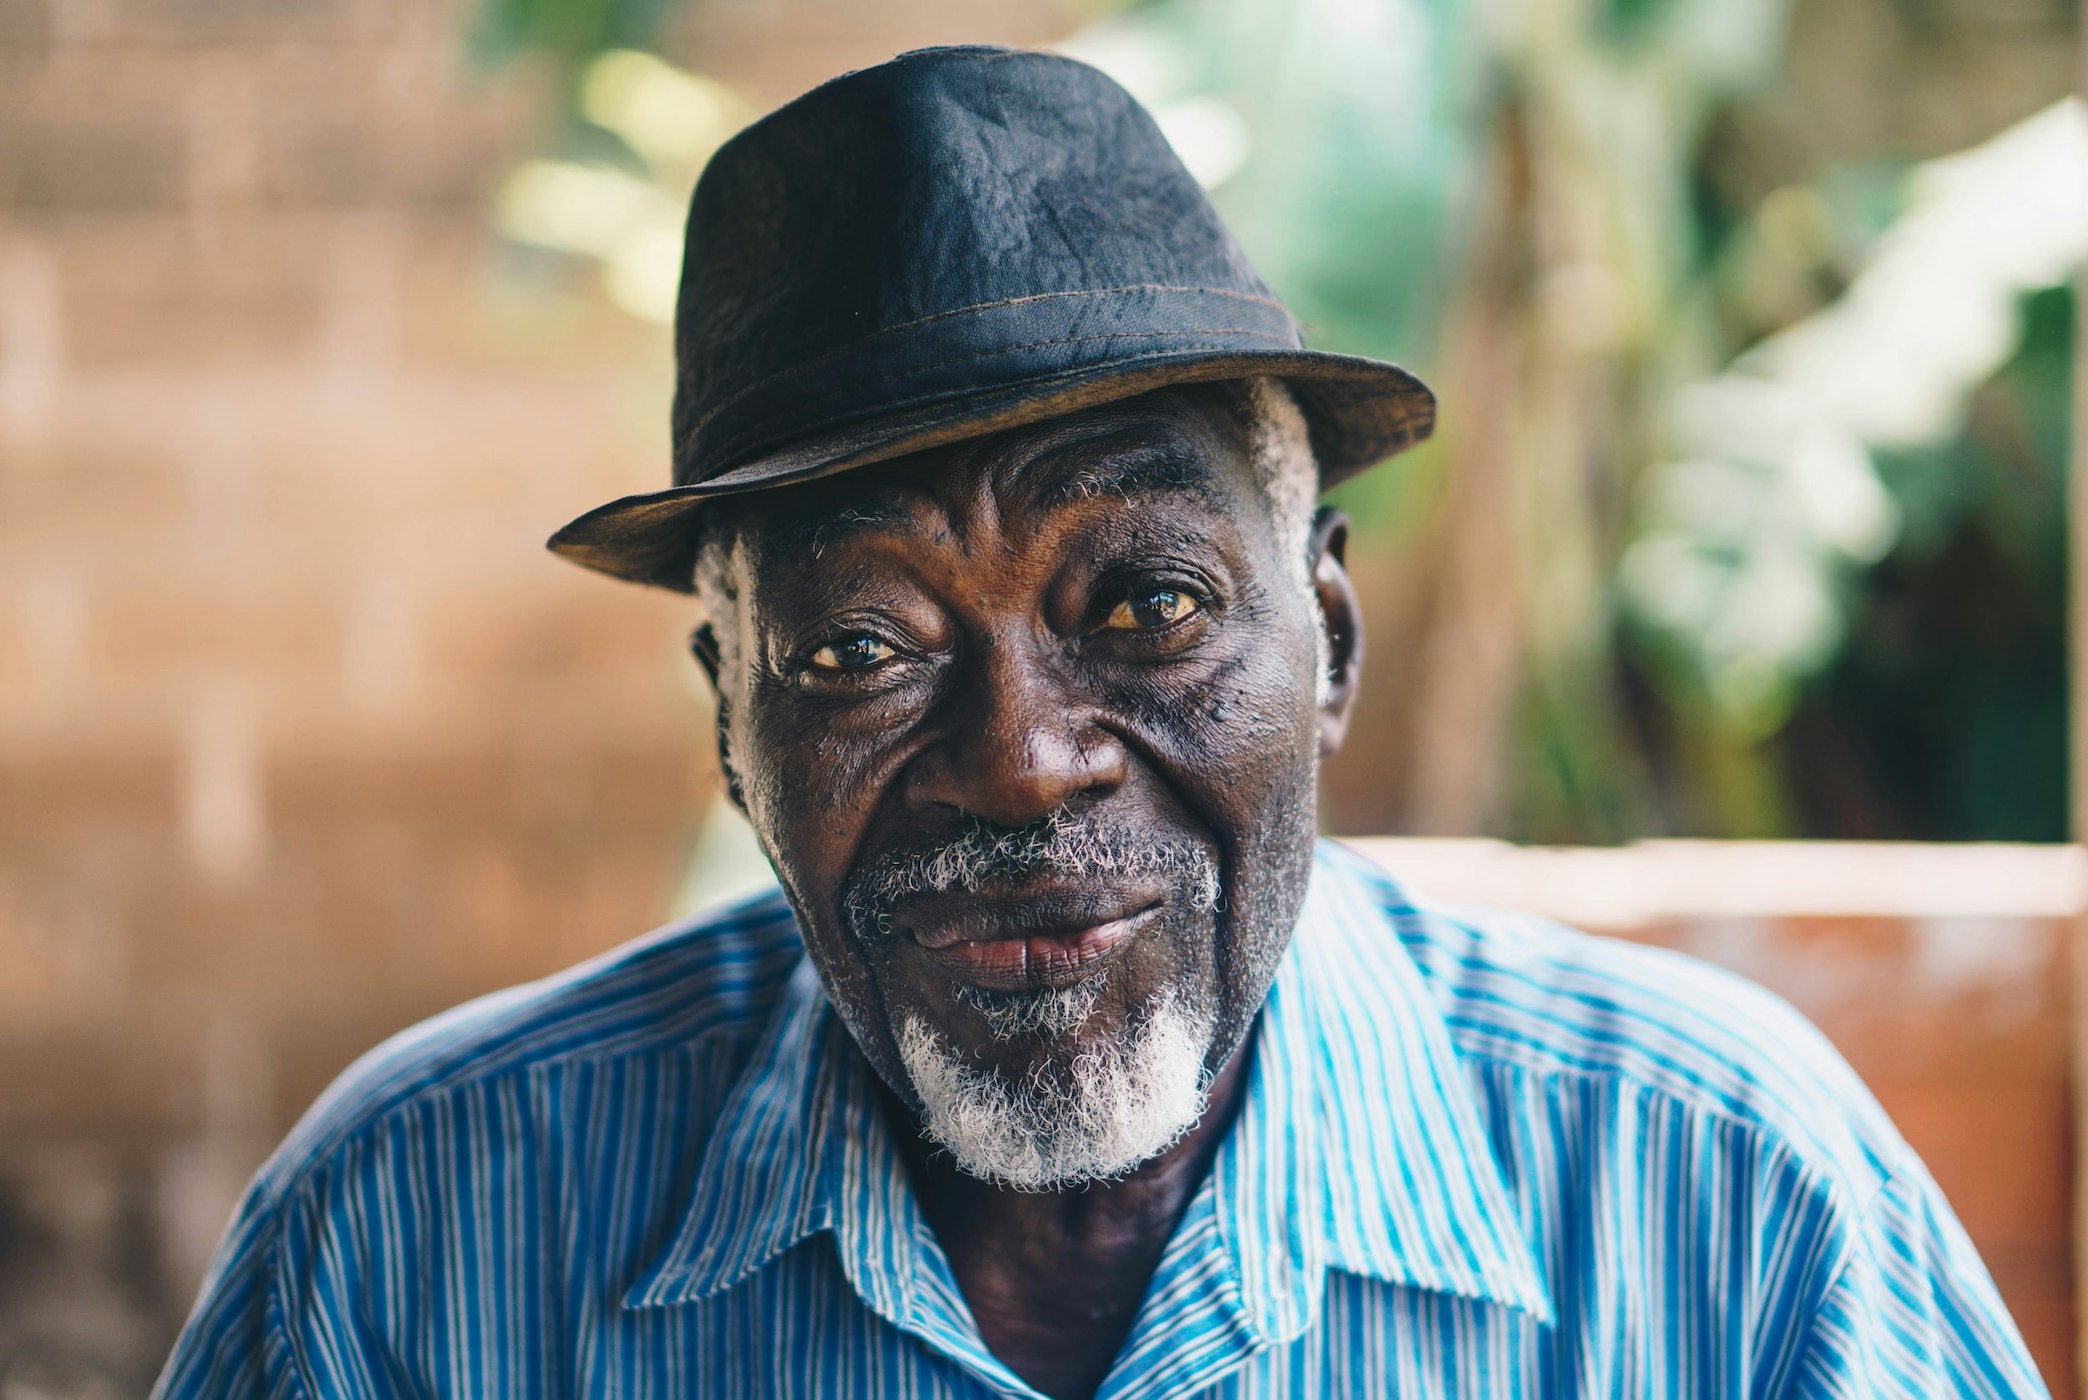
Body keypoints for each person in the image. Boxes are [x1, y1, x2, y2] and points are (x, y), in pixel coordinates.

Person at [156, 45, 2045, 1399]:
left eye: (1145, 605)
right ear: (733, 727)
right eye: (858, 653)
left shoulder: (1722, 1195)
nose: (1022, 758)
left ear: (1326, 631)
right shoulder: (414, 1234)